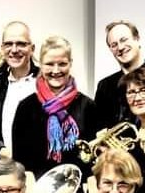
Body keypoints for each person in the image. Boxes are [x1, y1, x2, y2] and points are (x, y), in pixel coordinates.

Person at [10, 35, 97, 178]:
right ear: (41, 64)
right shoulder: (25, 107)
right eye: (49, 64)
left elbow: (93, 157)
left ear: (70, 63)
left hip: (79, 190)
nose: (56, 71)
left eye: (62, 64)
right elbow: (19, 160)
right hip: (37, 192)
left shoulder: (88, 106)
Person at [0, 22, 39, 148]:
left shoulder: (47, 82)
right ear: (2, 49)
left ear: (32, 49)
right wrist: (0, 151)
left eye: (21, 44)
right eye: (8, 44)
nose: (14, 50)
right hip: (4, 164)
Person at [94, 21, 145, 130]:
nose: (120, 47)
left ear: (137, 39)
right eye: (114, 45)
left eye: (124, 40)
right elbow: (99, 129)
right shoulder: (104, 86)